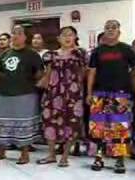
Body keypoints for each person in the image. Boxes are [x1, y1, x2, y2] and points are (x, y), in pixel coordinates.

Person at [87, 20, 135, 173]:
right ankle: (98, 157)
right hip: (100, 94)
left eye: (113, 27)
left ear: (119, 31)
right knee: (98, 129)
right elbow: (92, 72)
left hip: (121, 95)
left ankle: (119, 160)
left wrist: (130, 86)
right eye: (107, 28)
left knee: (120, 129)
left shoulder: (127, 49)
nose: (110, 30)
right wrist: (89, 93)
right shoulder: (97, 51)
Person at [0, 25, 44, 165]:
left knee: (23, 126)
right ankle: (1, 151)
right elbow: (0, 72)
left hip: (25, 94)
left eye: (19, 33)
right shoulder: (5, 54)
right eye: (13, 33)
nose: (16, 36)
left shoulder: (32, 54)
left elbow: (39, 73)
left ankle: (24, 154)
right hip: (5, 94)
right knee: (3, 124)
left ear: (25, 37)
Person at [36, 26, 87, 167]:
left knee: (72, 123)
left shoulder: (80, 54)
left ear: (75, 37)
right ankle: (51, 155)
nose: (67, 37)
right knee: (49, 122)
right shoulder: (51, 55)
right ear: (58, 38)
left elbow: (84, 74)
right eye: (64, 35)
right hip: (53, 94)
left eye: (71, 34)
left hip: (73, 95)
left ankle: (65, 156)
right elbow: (47, 74)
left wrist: (75, 87)